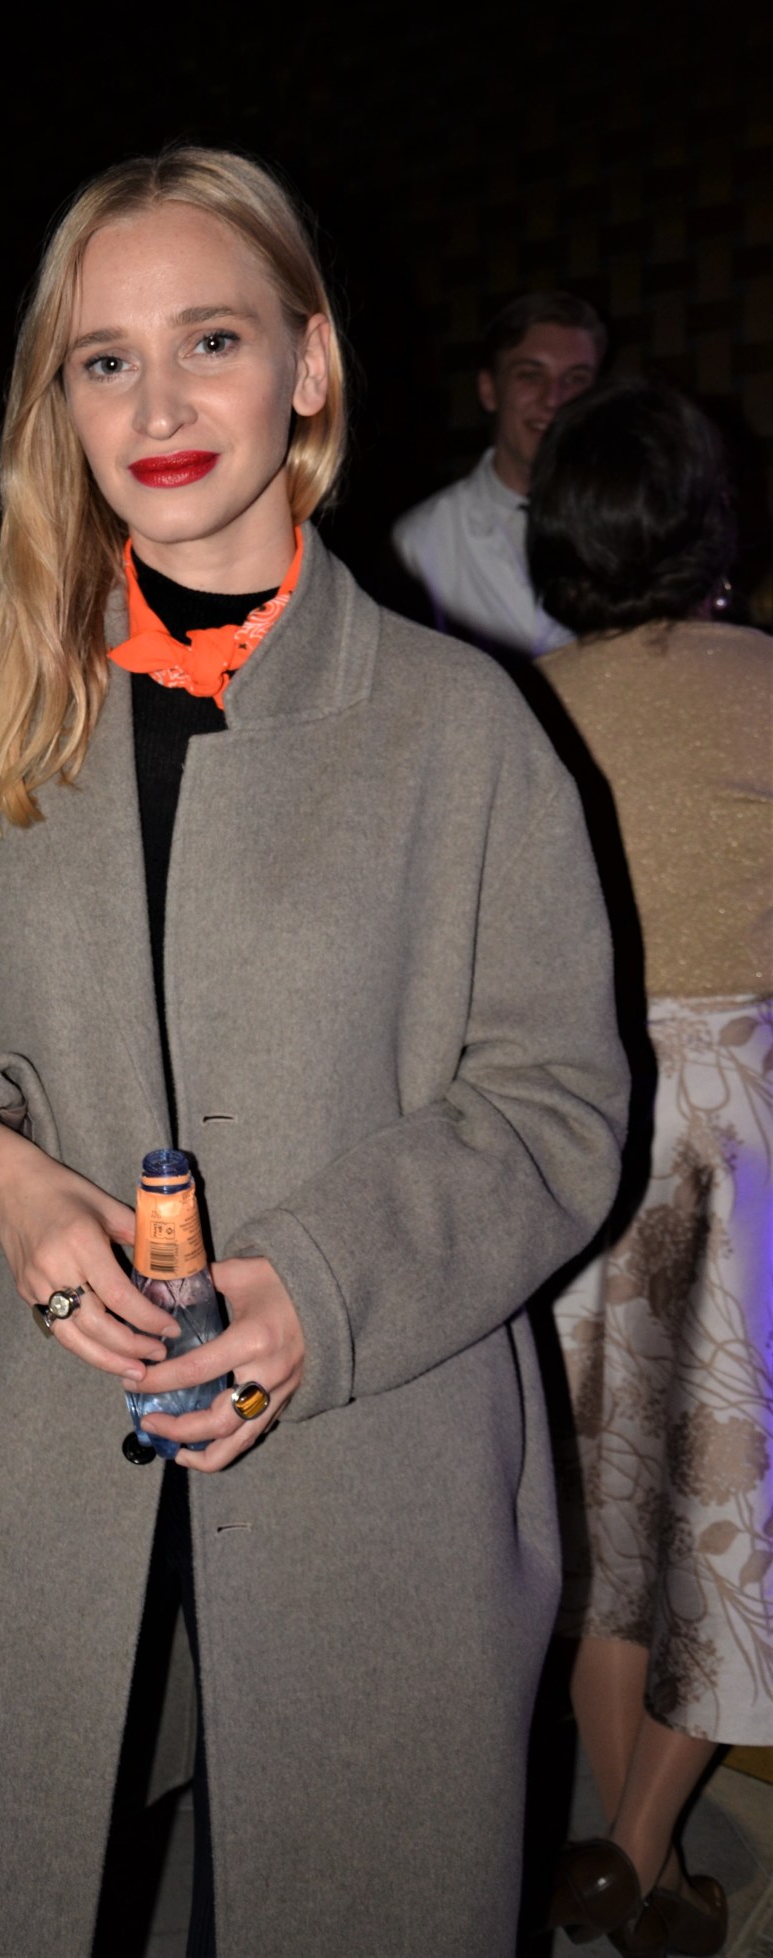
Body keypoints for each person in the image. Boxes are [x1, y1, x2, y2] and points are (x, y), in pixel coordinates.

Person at [0, 148, 628, 1958]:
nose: (157, 406)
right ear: (60, 397)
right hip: (5, 1451)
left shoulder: (462, 727)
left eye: (212, 339)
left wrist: (323, 1282)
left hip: (372, 1467)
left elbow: (556, 1099)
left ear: (308, 365)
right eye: (105, 359)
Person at [530, 378, 772, 1957]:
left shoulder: (517, 707)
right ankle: (635, 1850)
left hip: (577, 1132)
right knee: (729, 1523)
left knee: (604, 1534)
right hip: (748, 1139)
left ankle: (636, 1866)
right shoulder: (769, 685)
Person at [391, 291, 605, 660]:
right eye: (530, 375)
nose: (553, 399)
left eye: (576, 379)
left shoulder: (637, 527)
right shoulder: (421, 541)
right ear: (489, 390)